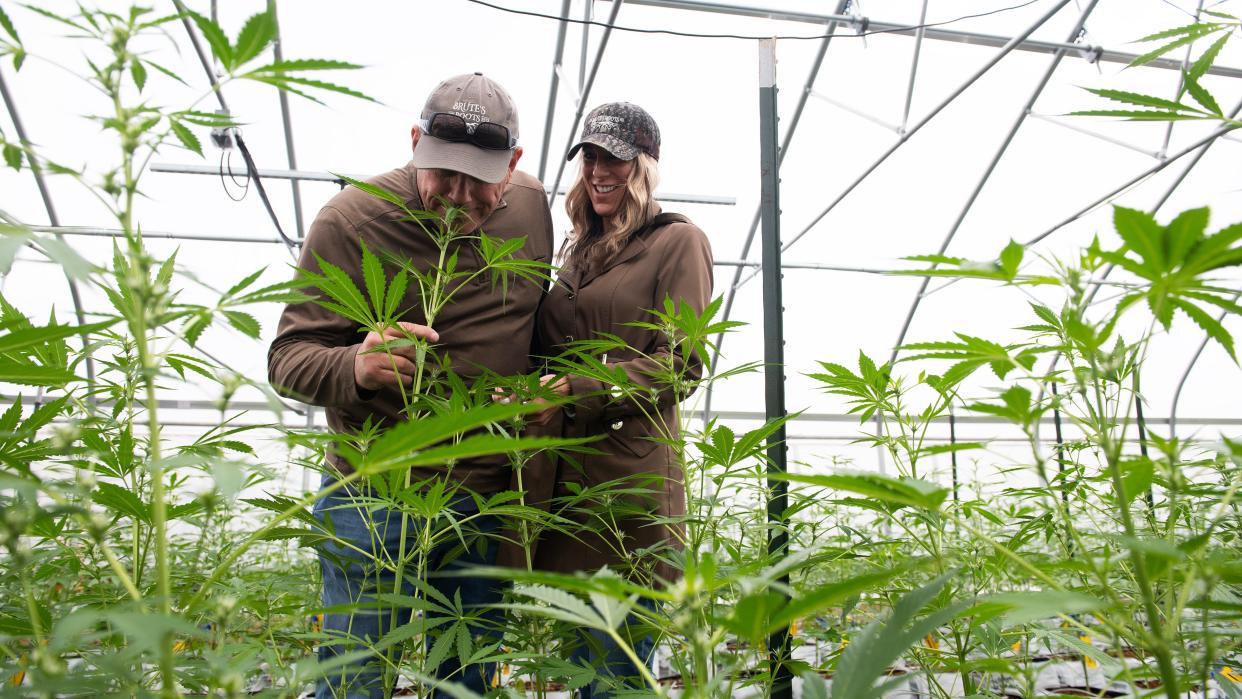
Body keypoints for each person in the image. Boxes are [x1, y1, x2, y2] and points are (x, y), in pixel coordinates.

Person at [267, 72, 553, 699]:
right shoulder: (352, 218)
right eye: (442, 172)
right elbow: (288, 358)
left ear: (514, 166)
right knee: (355, 679)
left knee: (468, 682)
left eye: (478, 179)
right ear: (415, 140)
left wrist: (532, 391)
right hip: (375, 495)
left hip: (480, 496)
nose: (456, 195)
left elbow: (530, 323)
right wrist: (356, 369)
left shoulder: (533, 209)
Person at [522, 102, 713, 697]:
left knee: (614, 669)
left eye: (617, 160)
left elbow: (681, 364)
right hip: (568, 481)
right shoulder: (577, 250)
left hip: (629, 490)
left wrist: (577, 389)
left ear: (646, 166)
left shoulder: (677, 243)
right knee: (585, 664)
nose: (601, 172)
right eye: (592, 158)